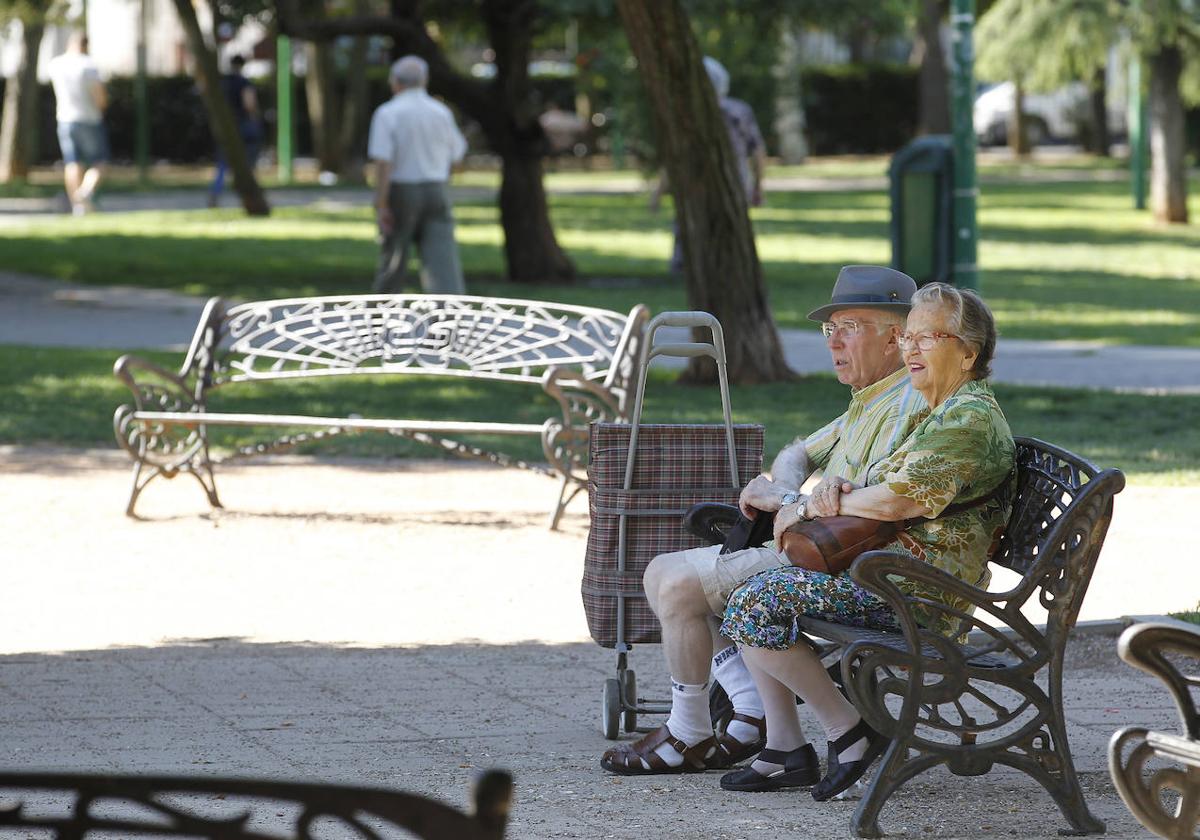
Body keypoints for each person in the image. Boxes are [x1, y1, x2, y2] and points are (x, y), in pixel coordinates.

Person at [600, 265, 926, 776]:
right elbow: (798, 452)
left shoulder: (906, 402)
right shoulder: (867, 400)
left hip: (835, 557)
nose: (834, 342)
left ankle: (691, 733)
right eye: (829, 329)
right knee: (660, 570)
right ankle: (749, 713)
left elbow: (866, 501)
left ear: (896, 337)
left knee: (680, 586)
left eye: (850, 327)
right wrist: (784, 490)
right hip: (809, 543)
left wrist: (789, 504)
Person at [718, 282, 1015, 799]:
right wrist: (836, 489)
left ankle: (848, 732)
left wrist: (809, 506)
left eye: (931, 338)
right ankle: (797, 744)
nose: (912, 349)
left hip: (923, 593)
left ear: (969, 352)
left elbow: (898, 501)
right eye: (911, 338)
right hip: (887, 572)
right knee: (758, 591)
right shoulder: (936, 407)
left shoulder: (968, 419)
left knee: (758, 598)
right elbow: (877, 488)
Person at [654, 56, 767, 276]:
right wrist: (758, 185)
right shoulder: (739, 111)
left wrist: (658, 192)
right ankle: (731, 271)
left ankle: (685, 269)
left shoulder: (685, 113)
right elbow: (757, 150)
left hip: (694, 183)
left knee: (690, 226)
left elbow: (673, 158)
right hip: (735, 183)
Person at [368, 55, 468, 295]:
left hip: (402, 189)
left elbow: (383, 162)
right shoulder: (440, 111)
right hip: (436, 188)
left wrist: (381, 203)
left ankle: (381, 317)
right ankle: (448, 321)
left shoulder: (388, 112)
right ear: (424, 81)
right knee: (442, 263)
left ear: (395, 82)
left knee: (394, 258)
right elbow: (458, 153)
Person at [47, 31, 109, 216]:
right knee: (100, 161)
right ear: (86, 45)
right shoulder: (88, 65)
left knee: (72, 162)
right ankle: (85, 193)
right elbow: (100, 98)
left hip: (65, 119)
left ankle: (78, 206)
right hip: (89, 118)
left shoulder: (56, 64)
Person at [208, 55, 263, 208]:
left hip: (226, 126)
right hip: (244, 125)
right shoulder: (244, 83)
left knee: (223, 164)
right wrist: (256, 118)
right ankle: (248, 194)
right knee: (248, 162)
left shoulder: (222, 83)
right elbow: (249, 104)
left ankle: (215, 193)